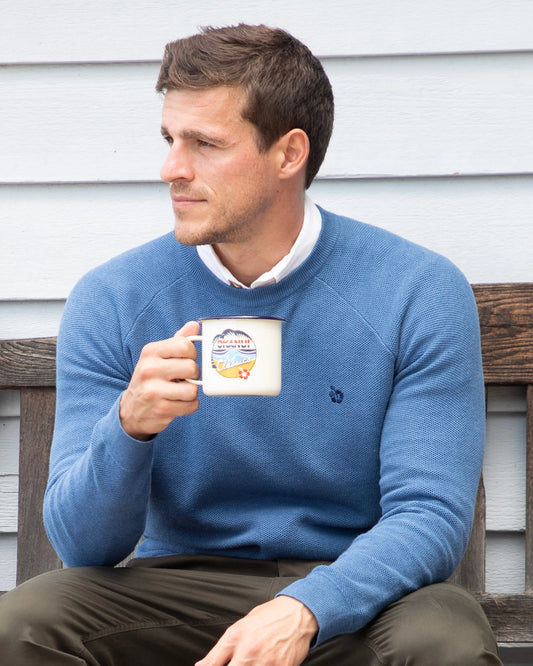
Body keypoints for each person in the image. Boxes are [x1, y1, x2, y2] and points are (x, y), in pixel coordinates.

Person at [0, 24, 501, 665]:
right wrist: (129, 429)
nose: (171, 169)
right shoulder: (115, 298)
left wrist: (306, 609)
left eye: (204, 144)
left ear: (289, 154)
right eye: (169, 140)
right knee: (25, 622)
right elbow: (83, 548)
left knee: (445, 642)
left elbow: (429, 515)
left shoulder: (416, 290)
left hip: (359, 592)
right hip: (178, 590)